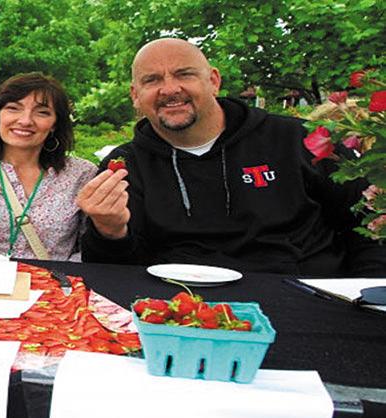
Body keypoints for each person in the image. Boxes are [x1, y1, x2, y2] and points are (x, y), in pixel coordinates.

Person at [77, 38, 386, 275]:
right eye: (152, 80)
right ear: (135, 95)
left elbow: (369, 225)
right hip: (183, 312)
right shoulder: (125, 166)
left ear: (214, 80)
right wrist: (109, 231)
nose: (169, 89)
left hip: (309, 303)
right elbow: (113, 273)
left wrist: (367, 304)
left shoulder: (299, 140)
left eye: (184, 74)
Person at [0, 73, 97, 260]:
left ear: (55, 124)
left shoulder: (81, 173)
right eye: (13, 108)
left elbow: (91, 245)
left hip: (50, 284)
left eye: (42, 112)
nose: (25, 120)